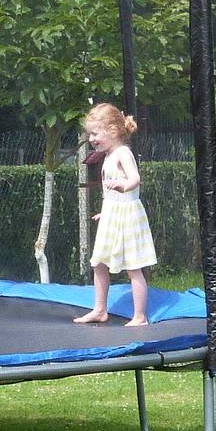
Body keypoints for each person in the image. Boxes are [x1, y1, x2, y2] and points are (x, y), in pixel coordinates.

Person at [74, 103, 156, 326]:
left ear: (112, 130)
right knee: (99, 263)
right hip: (113, 215)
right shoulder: (108, 155)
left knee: (133, 267)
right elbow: (111, 194)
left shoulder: (123, 153)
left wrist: (123, 186)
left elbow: (135, 179)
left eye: (95, 133)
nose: (91, 139)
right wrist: (106, 212)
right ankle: (100, 310)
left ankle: (140, 316)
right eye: (90, 134)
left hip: (128, 216)